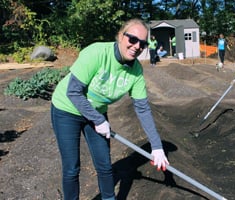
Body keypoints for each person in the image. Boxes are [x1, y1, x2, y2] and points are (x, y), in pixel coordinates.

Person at [51, 18, 169, 200]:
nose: (137, 46)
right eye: (132, 39)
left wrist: (157, 147)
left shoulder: (136, 71)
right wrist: (98, 120)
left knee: (104, 165)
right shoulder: (97, 53)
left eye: (143, 44)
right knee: (72, 167)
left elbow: (142, 109)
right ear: (121, 36)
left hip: (96, 112)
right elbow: (73, 92)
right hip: (67, 109)